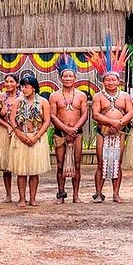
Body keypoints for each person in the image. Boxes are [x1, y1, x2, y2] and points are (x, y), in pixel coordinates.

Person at [88, 36, 133, 203]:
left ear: (118, 81)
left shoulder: (125, 96)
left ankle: (116, 193)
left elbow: (130, 112)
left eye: (113, 79)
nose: (110, 82)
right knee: (101, 162)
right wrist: (112, 122)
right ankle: (98, 193)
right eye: (107, 79)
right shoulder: (98, 96)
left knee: (117, 163)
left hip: (119, 133)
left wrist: (120, 123)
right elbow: (96, 115)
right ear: (103, 81)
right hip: (103, 133)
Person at [50, 54, 88, 203]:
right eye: (64, 76)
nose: (67, 79)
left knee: (77, 164)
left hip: (77, 134)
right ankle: (61, 194)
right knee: (60, 164)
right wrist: (66, 129)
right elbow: (52, 116)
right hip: (60, 134)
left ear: (75, 78)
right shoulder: (54, 96)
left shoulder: (81, 95)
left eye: (70, 76)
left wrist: (75, 128)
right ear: (60, 78)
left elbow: (84, 114)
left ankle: (75, 195)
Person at [8, 75, 51, 207]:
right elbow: (12, 119)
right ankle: (22, 198)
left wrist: (36, 136)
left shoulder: (43, 102)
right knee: (22, 171)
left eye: (26, 87)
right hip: (21, 137)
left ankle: (33, 198)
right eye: (22, 87)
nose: (24, 89)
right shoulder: (18, 101)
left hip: (37, 137)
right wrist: (19, 134)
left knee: (34, 170)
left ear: (33, 88)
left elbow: (47, 121)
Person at [0, 74, 21, 203]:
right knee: (6, 165)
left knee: (20, 163)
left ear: (17, 84)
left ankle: (22, 195)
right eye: (6, 81)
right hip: (4, 131)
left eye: (11, 81)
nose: (8, 84)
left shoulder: (22, 97)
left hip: (18, 131)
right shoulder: (1, 97)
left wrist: (14, 127)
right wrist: (7, 125)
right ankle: (8, 194)